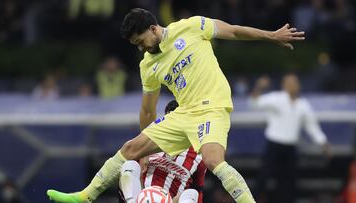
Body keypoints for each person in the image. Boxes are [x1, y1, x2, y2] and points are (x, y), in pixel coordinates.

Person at [46, 8, 305, 203]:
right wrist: (145, 153)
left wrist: (270, 36)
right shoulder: (148, 65)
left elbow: (234, 31)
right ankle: (84, 197)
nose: (140, 48)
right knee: (130, 148)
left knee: (214, 161)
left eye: (140, 41)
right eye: (135, 45)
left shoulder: (191, 27)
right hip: (184, 113)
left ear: (153, 28)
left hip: (212, 107)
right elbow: (148, 110)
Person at [249, 74, 331, 203]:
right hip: (274, 145)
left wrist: (323, 143)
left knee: (288, 182)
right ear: (284, 85)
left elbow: (311, 126)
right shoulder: (276, 99)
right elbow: (254, 103)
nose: (293, 86)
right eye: (289, 83)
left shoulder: (303, 105)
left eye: (295, 83)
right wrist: (259, 87)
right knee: (264, 177)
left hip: (290, 148)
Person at [118, 100, 206, 203]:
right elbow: (130, 176)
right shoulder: (150, 141)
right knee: (129, 166)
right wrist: (141, 159)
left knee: (192, 194)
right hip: (141, 197)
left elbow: (198, 191)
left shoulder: (198, 154)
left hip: (170, 200)